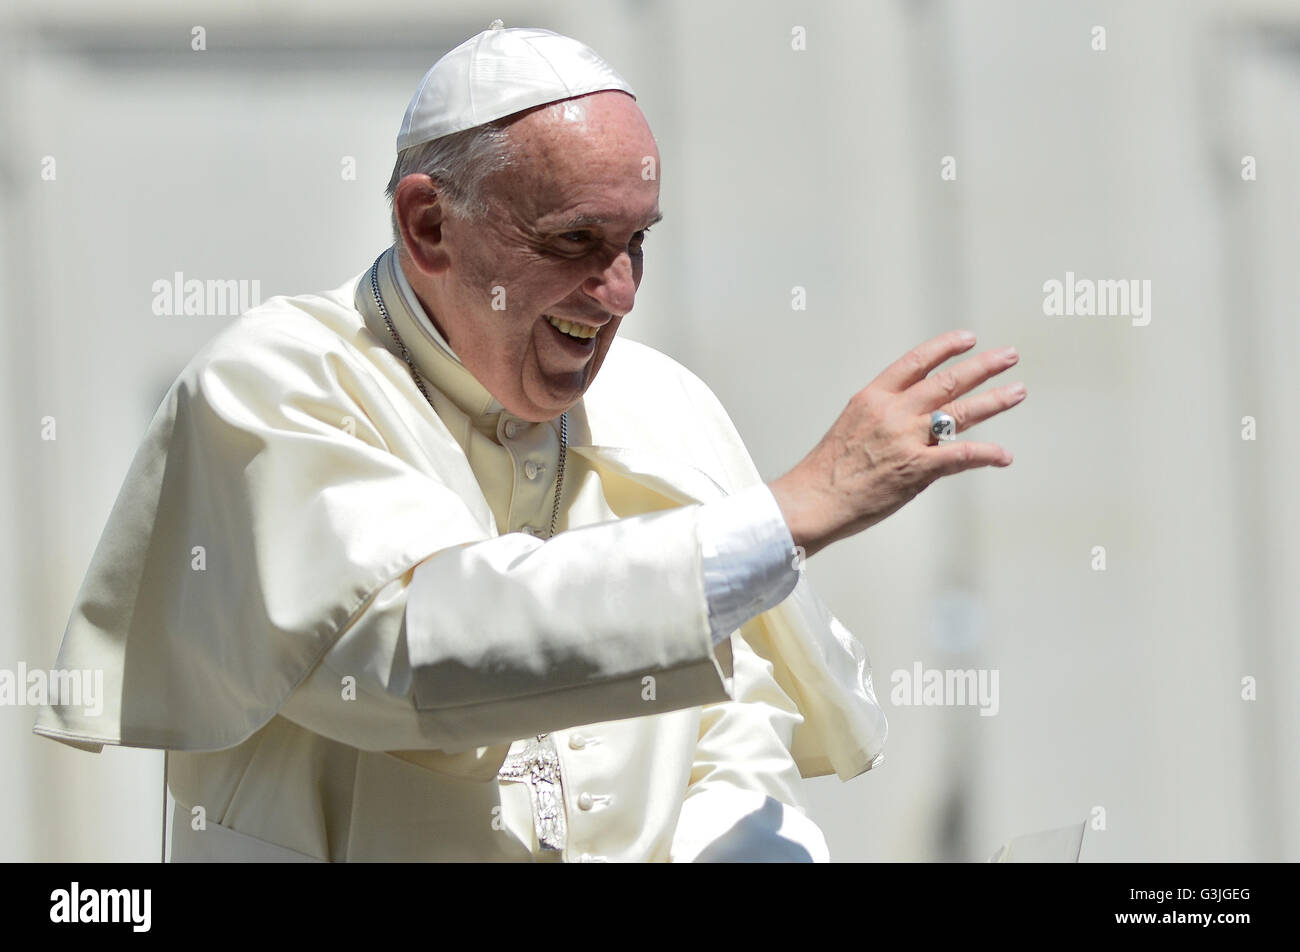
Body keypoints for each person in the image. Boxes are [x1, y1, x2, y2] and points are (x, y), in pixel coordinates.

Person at [32, 23, 1025, 862]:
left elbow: (729, 731)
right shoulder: (277, 383)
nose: (620, 293)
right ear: (429, 226)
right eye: (574, 244)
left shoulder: (661, 404)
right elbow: (420, 652)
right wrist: (784, 514)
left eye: (637, 242)